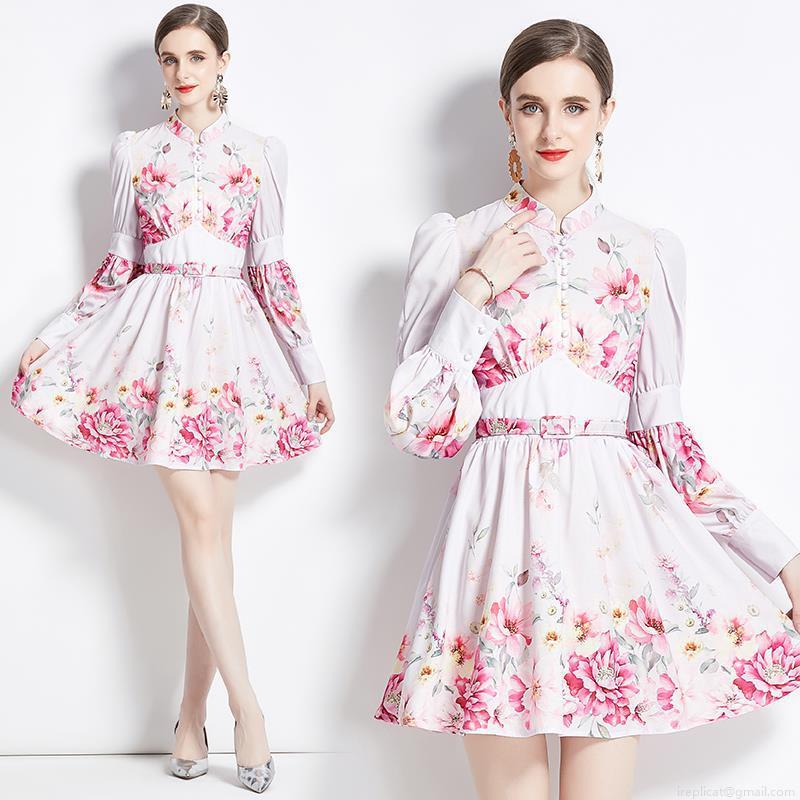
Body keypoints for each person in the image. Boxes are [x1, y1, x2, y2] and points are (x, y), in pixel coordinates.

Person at [373, 18, 800, 800]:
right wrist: (475, 288)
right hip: (495, 556)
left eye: (574, 106)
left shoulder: (648, 252)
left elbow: (664, 437)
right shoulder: (458, 241)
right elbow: (417, 424)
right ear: (506, 112)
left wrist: (781, 557)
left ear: (607, 113)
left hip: (612, 560)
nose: (552, 129)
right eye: (532, 105)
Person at [11, 4, 334, 793]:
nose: (182, 71)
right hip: (156, 347)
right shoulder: (134, 152)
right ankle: (249, 713)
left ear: (223, 61)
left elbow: (270, 266)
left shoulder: (259, 153)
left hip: (234, 354)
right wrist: (56, 332)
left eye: (195, 55)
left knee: (213, 541)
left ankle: (190, 716)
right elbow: (118, 259)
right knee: (200, 528)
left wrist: (312, 367)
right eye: (169, 57)